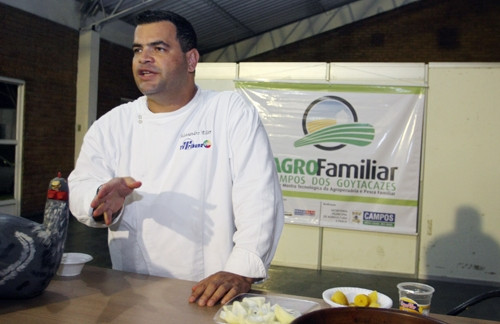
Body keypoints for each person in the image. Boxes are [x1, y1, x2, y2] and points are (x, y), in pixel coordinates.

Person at [68, 10, 284, 307]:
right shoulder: (113, 124)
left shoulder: (227, 111)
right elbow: (82, 183)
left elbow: (259, 196)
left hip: (212, 292)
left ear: (191, 59)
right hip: (133, 289)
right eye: (137, 50)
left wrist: (242, 269)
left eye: (158, 48)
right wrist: (100, 197)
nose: (143, 58)